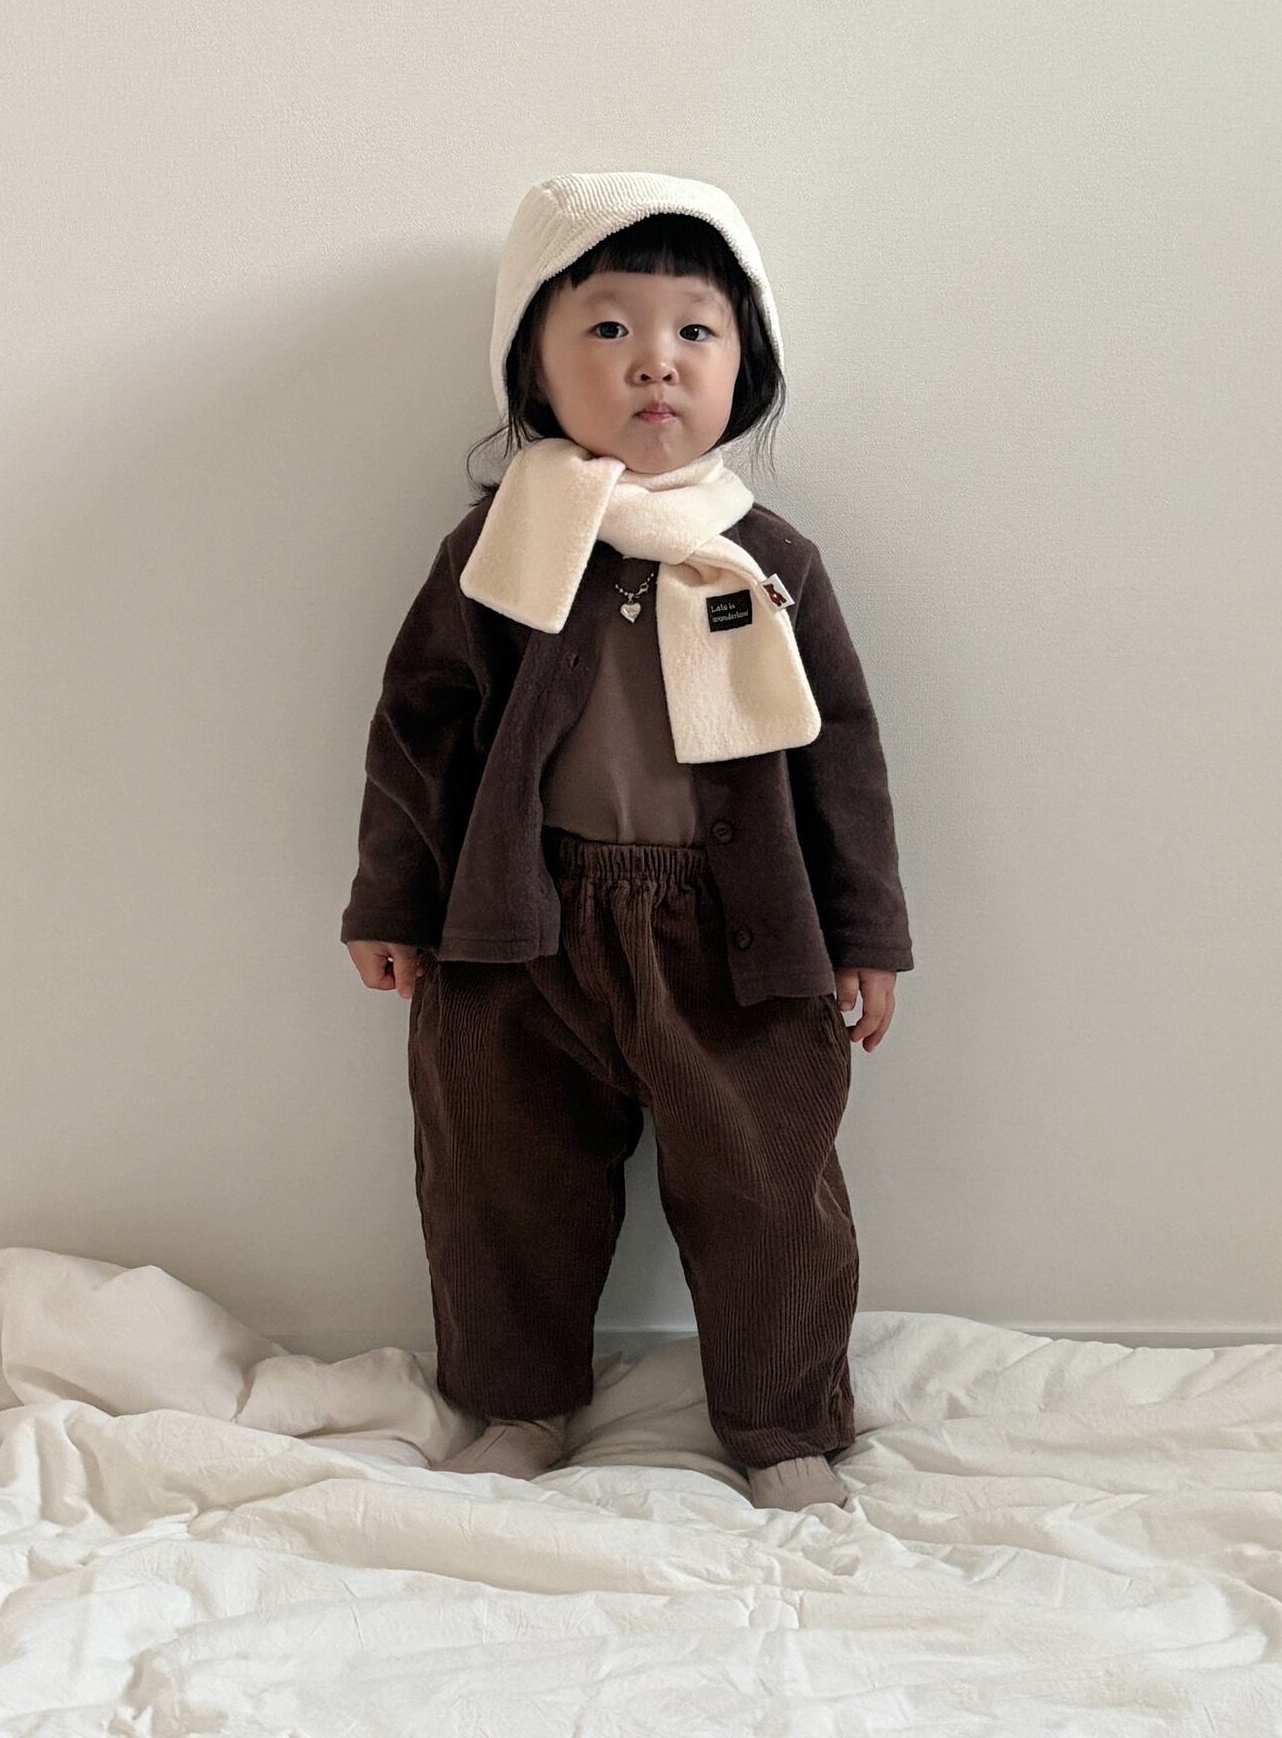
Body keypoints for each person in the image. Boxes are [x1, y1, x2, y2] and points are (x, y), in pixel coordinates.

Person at [342, 171, 914, 1515]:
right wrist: (393, 898)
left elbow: (841, 757)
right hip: (519, 924)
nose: (655, 359)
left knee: (767, 1182)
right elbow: (420, 726)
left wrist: (867, 933)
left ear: (743, 365)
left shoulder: (770, 558)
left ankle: (781, 1421)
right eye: (607, 327)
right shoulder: (499, 549)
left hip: (739, 929)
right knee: (502, 1177)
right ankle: (521, 1403)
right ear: (532, 364)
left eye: (694, 329)